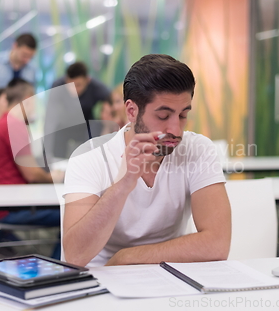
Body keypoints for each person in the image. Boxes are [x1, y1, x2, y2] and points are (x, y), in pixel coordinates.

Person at [62, 54, 231, 267]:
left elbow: (217, 243)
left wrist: (128, 257)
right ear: (132, 111)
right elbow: (75, 255)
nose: (175, 130)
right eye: (163, 116)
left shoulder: (198, 149)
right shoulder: (89, 157)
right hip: (101, 282)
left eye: (182, 115)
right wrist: (123, 185)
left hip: (169, 278)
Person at [0, 79, 62, 259]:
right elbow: (31, 174)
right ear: (28, 99)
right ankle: (58, 268)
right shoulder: (14, 125)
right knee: (72, 213)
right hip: (10, 207)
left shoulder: (5, 122)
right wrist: (55, 178)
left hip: (4, 202)